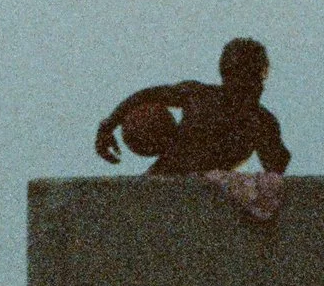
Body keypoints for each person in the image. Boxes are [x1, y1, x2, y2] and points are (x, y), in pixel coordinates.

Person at [94, 38, 290, 221]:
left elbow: (275, 174)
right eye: (239, 76)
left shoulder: (263, 123)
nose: (248, 85)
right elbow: (148, 96)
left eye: (255, 78)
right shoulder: (199, 96)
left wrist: (275, 159)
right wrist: (108, 125)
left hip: (207, 204)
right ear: (226, 75)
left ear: (262, 78)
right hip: (163, 183)